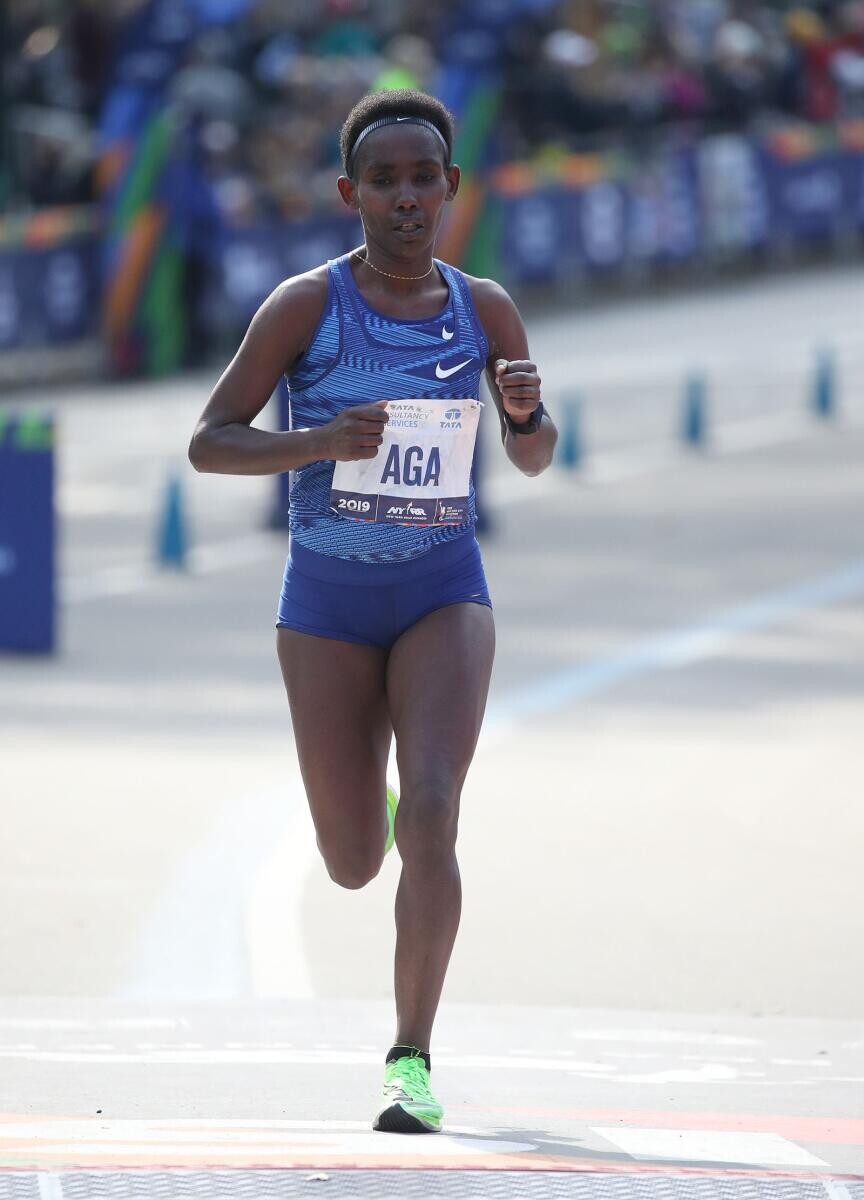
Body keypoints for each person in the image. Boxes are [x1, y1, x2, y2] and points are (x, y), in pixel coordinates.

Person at [189, 88, 557, 1134]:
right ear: (349, 194)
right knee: (354, 860)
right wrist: (317, 441)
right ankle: (380, 799)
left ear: (451, 188)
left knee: (433, 810)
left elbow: (535, 456)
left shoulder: (484, 308)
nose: (406, 198)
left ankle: (411, 1062)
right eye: (384, 181)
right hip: (328, 607)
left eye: (423, 179)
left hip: (444, 590)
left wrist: (525, 413)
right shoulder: (305, 305)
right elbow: (209, 441)